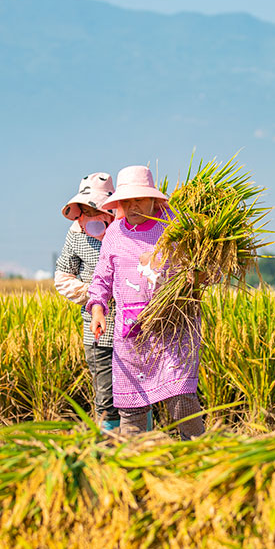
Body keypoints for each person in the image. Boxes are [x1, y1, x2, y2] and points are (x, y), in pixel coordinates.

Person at [87, 165, 204, 440]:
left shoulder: (176, 226)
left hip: (173, 330)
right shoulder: (115, 233)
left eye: (138, 199)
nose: (132, 206)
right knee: (132, 409)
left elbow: (203, 268)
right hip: (131, 335)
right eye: (126, 201)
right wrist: (97, 310)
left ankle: (200, 456)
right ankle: (135, 466)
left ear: (154, 199)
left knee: (180, 399)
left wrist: (197, 277)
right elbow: (102, 278)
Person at [54, 172, 121, 431]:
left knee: (137, 390)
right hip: (97, 330)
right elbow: (63, 276)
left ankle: (141, 439)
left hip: (134, 326)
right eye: (84, 211)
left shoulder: (125, 231)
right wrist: (96, 295)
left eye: (95, 210)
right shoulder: (76, 236)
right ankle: (109, 442)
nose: (88, 218)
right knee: (106, 392)